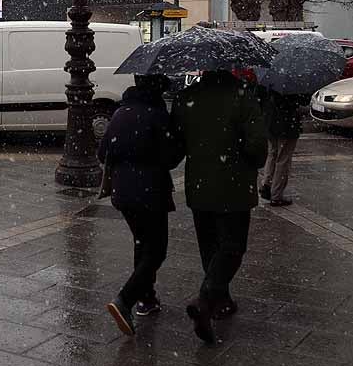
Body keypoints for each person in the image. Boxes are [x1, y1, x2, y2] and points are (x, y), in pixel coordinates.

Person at [172, 69, 267, 344]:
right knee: (232, 247)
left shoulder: (187, 97)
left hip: (199, 187)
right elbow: (258, 147)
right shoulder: (242, 96)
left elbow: (176, 145)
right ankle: (205, 300)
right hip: (234, 187)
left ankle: (221, 301)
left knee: (210, 247)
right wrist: (243, 153)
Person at [98, 74, 184, 337]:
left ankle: (147, 298)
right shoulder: (157, 115)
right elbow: (170, 158)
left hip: (123, 193)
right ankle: (126, 299)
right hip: (151, 192)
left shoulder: (120, 112)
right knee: (156, 250)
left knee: (142, 242)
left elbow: (103, 153)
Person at [260, 90, 302, 206]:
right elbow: (301, 100)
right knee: (283, 159)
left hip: (271, 121)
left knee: (272, 154)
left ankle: (266, 185)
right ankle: (276, 194)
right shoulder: (293, 84)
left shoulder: (270, 80)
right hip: (287, 124)